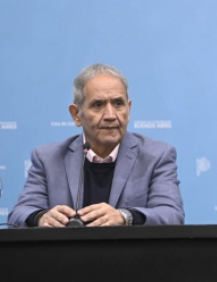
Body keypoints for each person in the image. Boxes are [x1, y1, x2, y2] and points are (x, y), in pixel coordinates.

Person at [9, 64, 185, 227]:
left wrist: (125, 217)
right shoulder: (48, 158)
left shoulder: (156, 156)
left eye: (118, 104)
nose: (110, 115)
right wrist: (41, 217)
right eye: (98, 105)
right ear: (76, 114)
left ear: (128, 109)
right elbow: (20, 214)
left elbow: (171, 215)